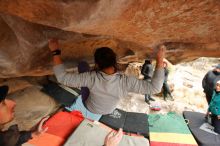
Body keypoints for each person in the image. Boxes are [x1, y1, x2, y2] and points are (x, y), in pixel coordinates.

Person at [49, 39, 165, 118]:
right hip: (109, 110)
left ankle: (85, 79)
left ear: (98, 65)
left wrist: (56, 52)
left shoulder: (91, 78)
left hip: (89, 106)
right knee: (87, 78)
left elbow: (62, 78)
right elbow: (155, 88)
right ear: (115, 62)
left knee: (83, 65)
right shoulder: (126, 82)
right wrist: (160, 59)